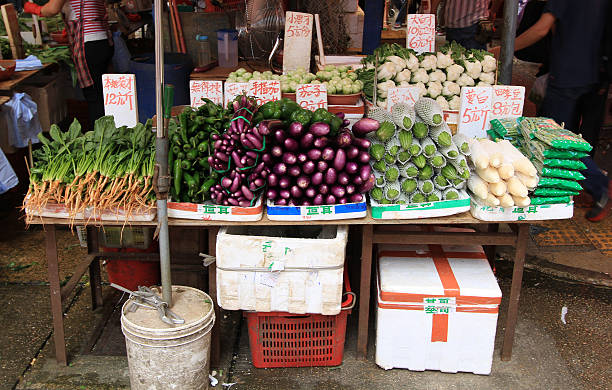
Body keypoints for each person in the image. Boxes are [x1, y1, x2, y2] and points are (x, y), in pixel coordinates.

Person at [490, 0, 611, 222]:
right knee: (569, 134)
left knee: (549, 140)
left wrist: (504, 49)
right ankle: (569, 188)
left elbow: (541, 28)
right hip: (590, 73)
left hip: (567, 74)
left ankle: (599, 184)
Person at [24, 0, 113, 127]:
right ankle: (107, 132)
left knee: (94, 96)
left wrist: (34, 8)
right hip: (103, 41)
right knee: (101, 94)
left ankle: (100, 137)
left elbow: (53, 8)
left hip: (89, 43)